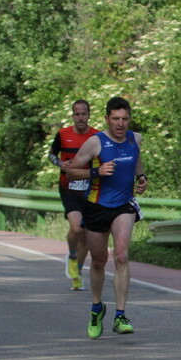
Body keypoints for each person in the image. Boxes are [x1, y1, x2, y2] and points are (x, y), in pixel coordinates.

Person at [67, 97, 147, 338]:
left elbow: (137, 161)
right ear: (107, 119)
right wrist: (96, 171)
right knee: (99, 260)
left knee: (121, 255)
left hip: (124, 206)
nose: (120, 124)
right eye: (115, 119)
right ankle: (96, 308)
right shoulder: (95, 143)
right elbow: (71, 172)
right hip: (97, 206)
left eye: (124, 119)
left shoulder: (136, 139)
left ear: (129, 119)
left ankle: (121, 315)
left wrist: (142, 178)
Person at [49, 99, 100, 290]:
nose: (81, 117)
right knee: (77, 228)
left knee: (87, 234)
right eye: (77, 114)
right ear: (73, 116)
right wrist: (59, 164)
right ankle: (71, 253)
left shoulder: (96, 136)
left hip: (89, 188)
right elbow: (52, 154)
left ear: (89, 115)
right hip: (69, 187)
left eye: (84, 114)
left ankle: (77, 271)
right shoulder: (63, 134)